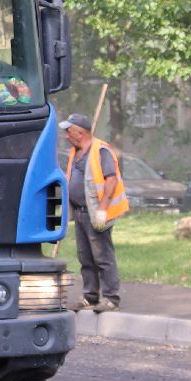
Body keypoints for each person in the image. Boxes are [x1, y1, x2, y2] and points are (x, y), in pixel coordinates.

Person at [61, 112, 126, 312]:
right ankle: (90, 296)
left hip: (97, 213)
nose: (66, 136)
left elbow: (111, 179)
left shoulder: (101, 151)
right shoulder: (76, 151)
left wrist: (102, 209)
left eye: (69, 132)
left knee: (102, 256)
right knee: (85, 257)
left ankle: (110, 298)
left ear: (80, 133)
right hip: (81, 213)